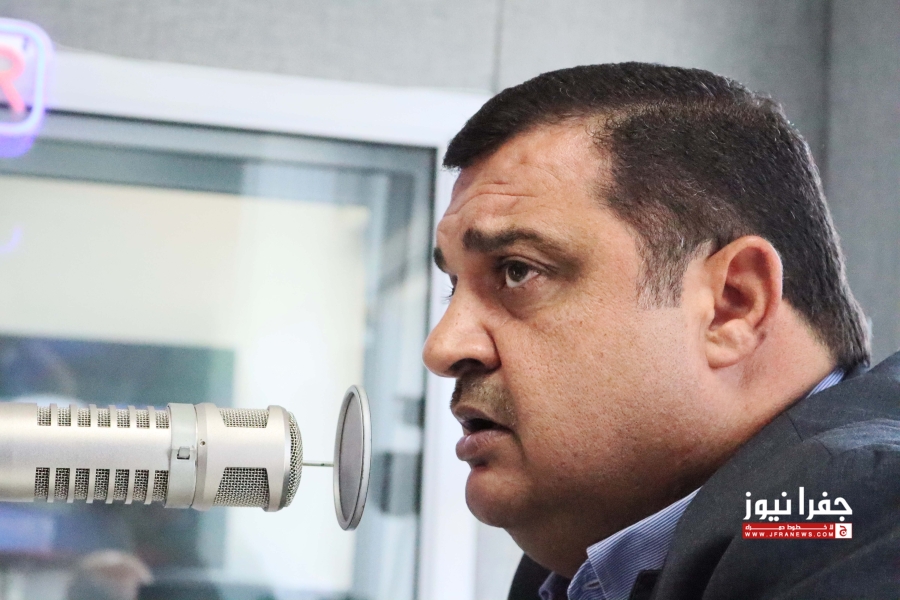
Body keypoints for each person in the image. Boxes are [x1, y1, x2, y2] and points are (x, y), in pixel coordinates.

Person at [422, 63, 900, 599]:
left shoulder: (861, 515)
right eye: (454, 286)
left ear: (731, 305)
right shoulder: (583, 567)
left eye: (518, 271)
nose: (442, 347)